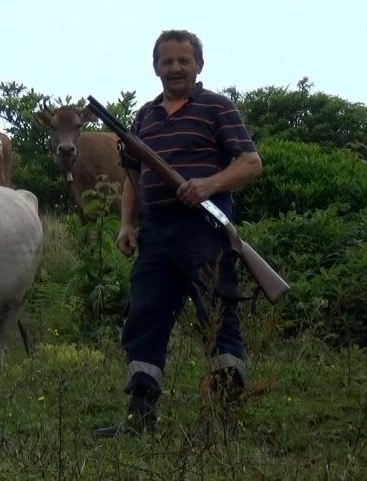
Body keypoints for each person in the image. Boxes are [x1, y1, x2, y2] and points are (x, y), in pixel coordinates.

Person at [94, 30, 263, 438]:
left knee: (217, 318)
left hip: (204, 231)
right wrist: (127, 224)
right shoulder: (143, 117)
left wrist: (207, 185)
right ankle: (140, 418)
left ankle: (224, 420)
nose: (175, 68)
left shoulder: (217, 108)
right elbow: (134, 176)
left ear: (198, 65)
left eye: (183, 61)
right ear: (155, 67)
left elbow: (250, 163)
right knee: (144, 318)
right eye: (167, 61)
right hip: (155, 235)